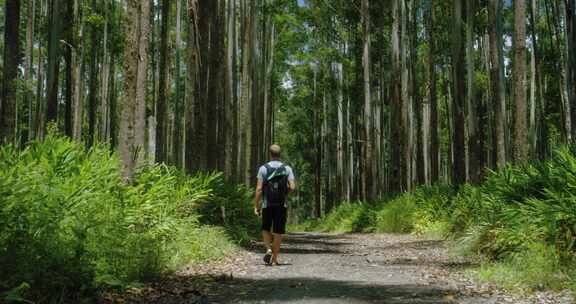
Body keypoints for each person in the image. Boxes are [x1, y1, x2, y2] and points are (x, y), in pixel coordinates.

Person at [253, 144, 296, 266]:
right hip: (281, 204)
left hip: (267, 204)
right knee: (278, 232)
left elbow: (259, 189)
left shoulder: (263, 168)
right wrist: (285, 194)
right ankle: (275, 258)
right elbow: (292, 187)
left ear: (270, 154)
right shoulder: (287, 168)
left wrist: (256, 205)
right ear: (280, 154)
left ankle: (268, 249)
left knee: (265, 228)